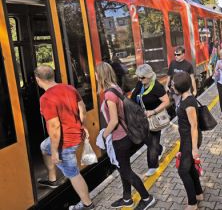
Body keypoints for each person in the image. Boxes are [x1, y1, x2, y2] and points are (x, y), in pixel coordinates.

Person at [96, 62, 155, 209]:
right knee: (123, 168)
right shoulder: (115, 88)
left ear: (100, 75)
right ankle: (127, 198)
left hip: (120, 138)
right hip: (125, 135)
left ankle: (147, 198)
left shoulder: (109, 94)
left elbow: (114, 120)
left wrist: (104, 134)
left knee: (125, 171)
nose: (95, 76)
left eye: (96, 74)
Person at [34, 65, 94, 210]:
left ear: (38, 79)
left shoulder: (46, 98)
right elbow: (82, 109)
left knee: (73, 174)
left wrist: (55, 151)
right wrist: (83, 126)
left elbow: (55, 127)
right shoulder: (70, 88)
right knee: (44, 146)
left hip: (65, 142)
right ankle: (52, 178)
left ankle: (88, 205)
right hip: (75, 135)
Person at [131, 64, 169, 177]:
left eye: (142, 77)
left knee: (152, 143)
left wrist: (153, 111)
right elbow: (133, 97)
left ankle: (153, 166)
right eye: (138, 77)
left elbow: (166, 101)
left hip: (153, 119)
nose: (139, 79)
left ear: (149, 76)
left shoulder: (156, 87)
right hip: (141, 118)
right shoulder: (140, 84)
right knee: (146, 140)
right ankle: (160, 149)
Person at [172, 72, 203, 210]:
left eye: (173, 85)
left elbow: (194, 126)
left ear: (180, 87)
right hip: (186, 139)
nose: (172, 86)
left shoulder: (189, 103)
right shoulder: (184, 99)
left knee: (183, 171)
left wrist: (194, 149)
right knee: (189, 168)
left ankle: (192, 203)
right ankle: (198, 193)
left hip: (190, 140)